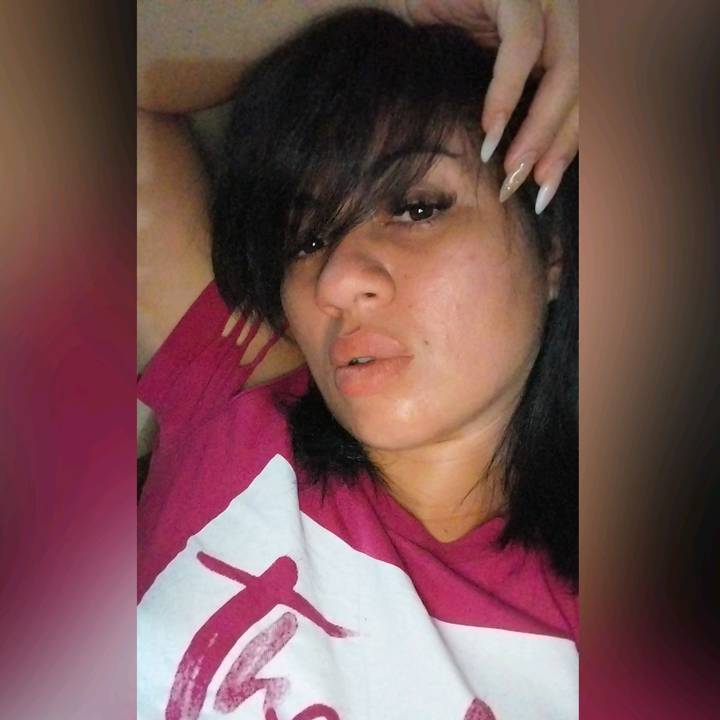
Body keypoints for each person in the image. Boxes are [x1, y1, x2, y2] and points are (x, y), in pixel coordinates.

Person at [138, 5, 578, 720]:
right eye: (308, 239)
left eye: (417, 208)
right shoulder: (241, 401)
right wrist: (399, 4)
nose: (339, 281)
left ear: (552, 248)